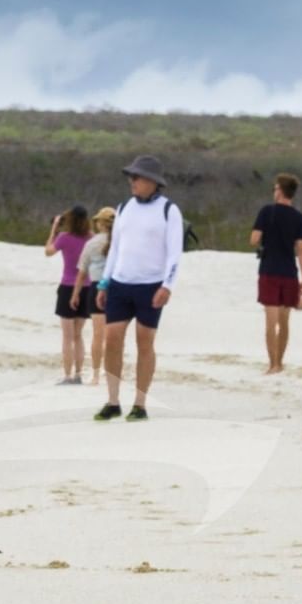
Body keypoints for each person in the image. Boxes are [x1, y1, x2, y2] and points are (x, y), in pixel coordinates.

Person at [94, 155, 182, 422]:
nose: (132, 181)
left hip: (151, 285)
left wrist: (167, 285)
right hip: (121, 283)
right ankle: (112, 400)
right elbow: (115, 248)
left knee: (144, 341)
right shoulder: (123, 208)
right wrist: (104, 282)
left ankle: (140, 403)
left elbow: (174, 253)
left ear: (152, 181)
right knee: (112, 339)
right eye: (130, 177)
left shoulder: (169, 210)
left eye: (137, 177)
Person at [250, 172, 302, 374]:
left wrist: (265, 237)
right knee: (284, 323)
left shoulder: (267, 212)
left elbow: (254, 239)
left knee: (270, 322)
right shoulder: (299, 218)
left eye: (275, 188)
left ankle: (272, 364)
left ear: (280, 191)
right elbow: (301, 249)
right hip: (289, 273)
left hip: (269, 271)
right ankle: (280, 362)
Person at [46, 204, 94, 384]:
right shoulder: (91, 238)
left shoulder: (64, 238)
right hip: (87, 287)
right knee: (78, 335)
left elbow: (48, 251)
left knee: (67, 337)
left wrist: (54, 230)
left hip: (68, 287)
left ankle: (67, 375)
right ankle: (78, 374)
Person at [72, 206, 116, 383]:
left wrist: (75, 294)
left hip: (97, 286)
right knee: (115, 335)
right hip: (118, 288)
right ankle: (113, 372)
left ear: (100, 224)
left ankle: (96, 374)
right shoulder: (121, 242)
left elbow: (82, 272)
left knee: (98, 335)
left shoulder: (92, 243)